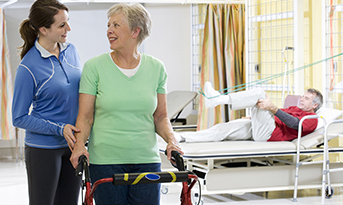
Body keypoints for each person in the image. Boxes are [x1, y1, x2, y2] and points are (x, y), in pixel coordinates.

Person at [69, 3, 183, 205]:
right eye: (108, 25)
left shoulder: (156, 68)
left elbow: (161, 117)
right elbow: (86, 117)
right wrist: (79, 147)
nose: (109, 30)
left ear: (135, 31)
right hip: (105, 162)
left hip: (146, 160)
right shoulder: (94, 67)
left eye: (116, 25)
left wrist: (171, 141)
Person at [11, 0, 81, 204]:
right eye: (62, 25)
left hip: (73, 146)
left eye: (67, 22)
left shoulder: (72, 51)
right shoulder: (28, 67)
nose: (69, 28)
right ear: (43, 29)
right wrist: (60, 129)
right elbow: (19, 117)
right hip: (42, 150)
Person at [178, 81, 323, 143]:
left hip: (269, 135)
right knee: (223, 129)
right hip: (263, 127)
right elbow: (274, 114)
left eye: (307, 98)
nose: (302, 99)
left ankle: (217, 99)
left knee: (260, 93)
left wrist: (273, 108)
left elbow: (294, 124)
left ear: (315, 105)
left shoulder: (312, 118)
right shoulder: (296, 108)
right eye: (303, 96)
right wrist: (254, 117)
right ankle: (184, 138)